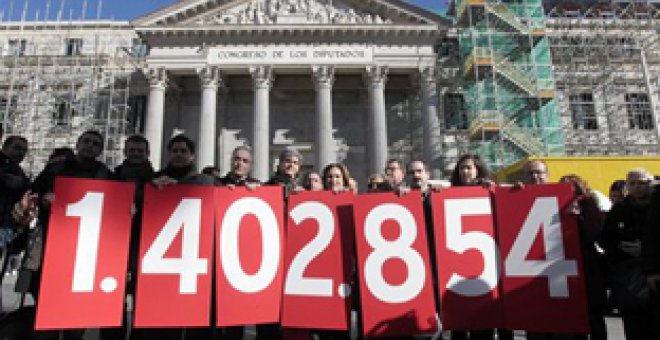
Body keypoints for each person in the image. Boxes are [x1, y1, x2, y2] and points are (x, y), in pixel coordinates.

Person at [20, 130, 113, 340]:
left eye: (96, 144)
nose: (90, 146)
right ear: (78, 144)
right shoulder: (54, 170)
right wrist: (44, 198)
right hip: (52, 243)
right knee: (46, 303)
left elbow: (114, 207)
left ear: (100, 150)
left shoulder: (106, 174)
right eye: (86, 141)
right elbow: (32, 195)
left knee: (76, 310)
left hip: (85, 250)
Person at [448, 154, 511, 340]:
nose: (465, 171)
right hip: (457, 264)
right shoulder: (447, 194)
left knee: (484, 321)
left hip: (487, 263)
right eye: (461, 168)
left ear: (478, 170)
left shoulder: (489, 189)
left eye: (469, 167)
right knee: (458, 320)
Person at [101, 135, 155, 340]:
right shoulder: (112, 177)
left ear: (147, 153)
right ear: (125, 151)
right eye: (132, 150)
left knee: (145, 298)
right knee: (112, 296)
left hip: (144, 245)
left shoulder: (157, 180)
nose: (135, 154)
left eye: (140, 150)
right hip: (114, 243)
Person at [601, 168, 656, 340]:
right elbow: (605, 239)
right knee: (635, 328)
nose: (638, 187)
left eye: (643, 183)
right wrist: (620, 248)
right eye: (632, 183)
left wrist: (648, 249)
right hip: (628, 279)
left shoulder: (657, 206)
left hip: (655, 275)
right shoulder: (619, 210)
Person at [559, 175, 608, 340]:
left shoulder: (589, 206)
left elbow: (594, 234)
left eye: (572, 187)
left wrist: (577, 218)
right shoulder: (555, 206)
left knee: (593, 315)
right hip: (565, 266)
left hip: (588, 266)